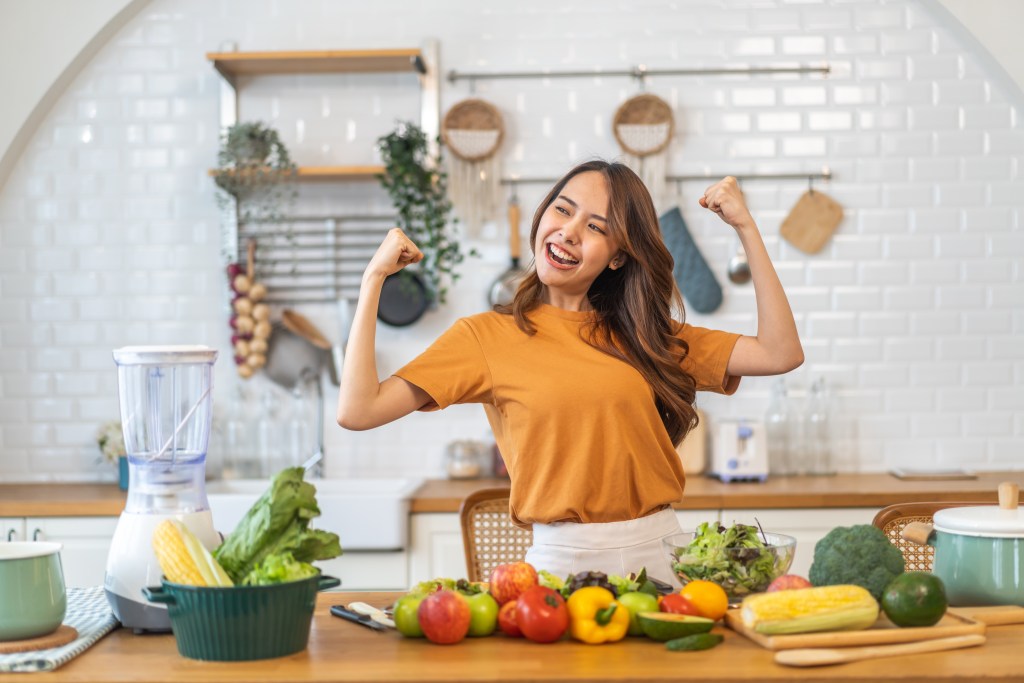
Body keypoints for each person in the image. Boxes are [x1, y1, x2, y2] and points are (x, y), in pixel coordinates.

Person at [337, 159, 803, 586]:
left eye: (596, 227)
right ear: (542, 218)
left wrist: (745, 226)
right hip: (559, 567)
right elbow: (359, 410)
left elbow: (779, 353)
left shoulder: (648, 334)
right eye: (562, 210)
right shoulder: (484, 337)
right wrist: (372, 280)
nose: (569, 231)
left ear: (618, 256)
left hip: (661, 559)